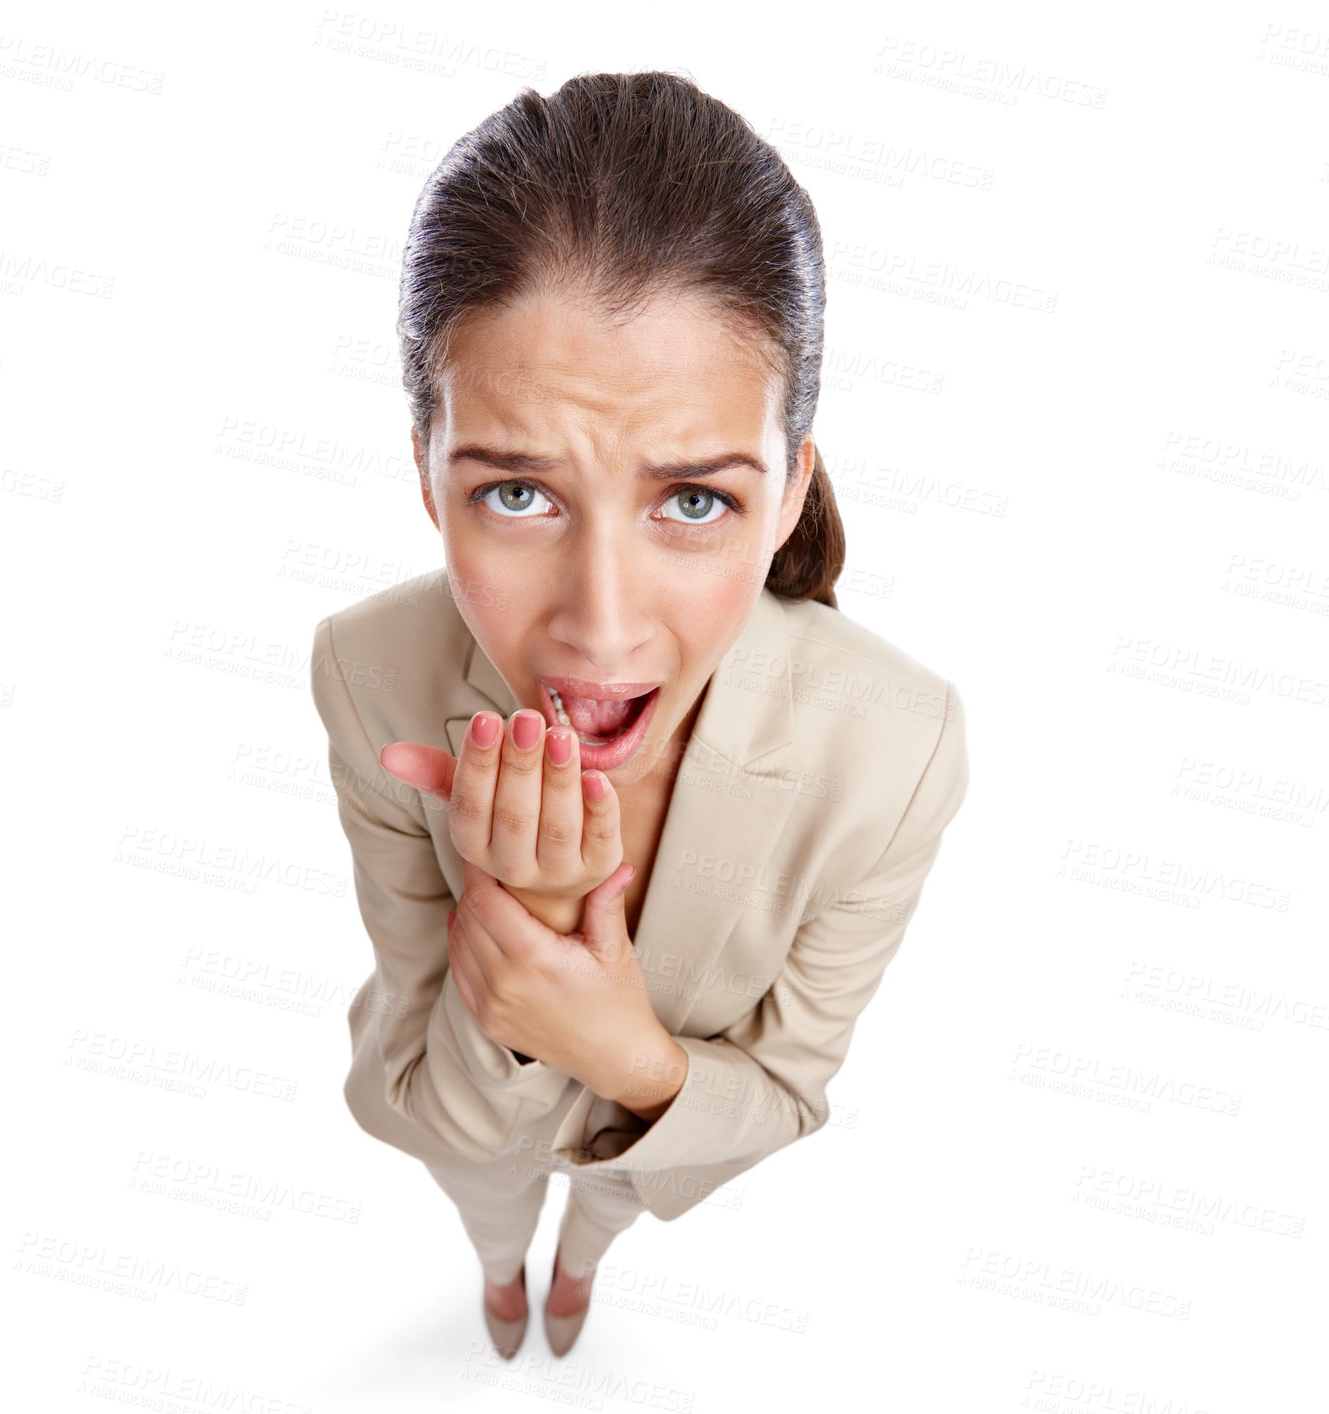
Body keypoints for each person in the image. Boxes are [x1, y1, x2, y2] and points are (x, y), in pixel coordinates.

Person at [309, 69, 971, 1362]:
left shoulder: (894, 748)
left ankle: (578, 1266)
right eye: (515, 494)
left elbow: (777, 1096)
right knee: (485, 1193)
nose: (599, 627)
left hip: (650, 1147)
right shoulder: (367, 669)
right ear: (428, 478)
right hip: (471, 1128)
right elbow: (407, 1099)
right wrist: (525, 929)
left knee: (607, 1200)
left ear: (786, 493)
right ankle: (504, 1269)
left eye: (693, 500)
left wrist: (633, 1059)